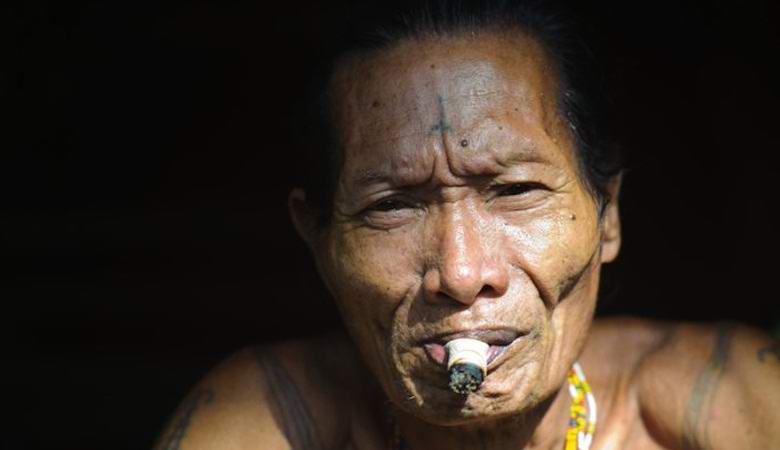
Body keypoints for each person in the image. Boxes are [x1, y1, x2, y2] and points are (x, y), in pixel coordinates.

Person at [154, 1, 780, 449]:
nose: (460, 273)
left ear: (607, 214)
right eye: (392, 205)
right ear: (318, 239)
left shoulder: (723, 401)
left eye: (514, 191)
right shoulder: (268, 418)